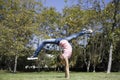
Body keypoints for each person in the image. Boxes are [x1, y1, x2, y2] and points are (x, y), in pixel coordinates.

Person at [27, 29, 93, 79]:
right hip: (63, 41)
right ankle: (85, 31)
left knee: (75, 35)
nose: (61, 55)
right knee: (44, 41)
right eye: (61, 56)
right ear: (61, 59)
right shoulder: (65, 57)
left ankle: (85, 31)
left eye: (60, 56)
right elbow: (67, 67)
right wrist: (67, 77)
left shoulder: (65, 56)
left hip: (62, 41)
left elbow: (66, 67)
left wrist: (66, 77)